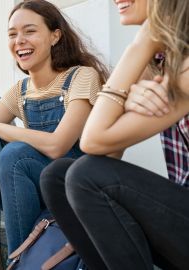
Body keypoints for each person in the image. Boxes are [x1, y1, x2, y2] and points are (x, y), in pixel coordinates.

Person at [0, 1, 109, 268]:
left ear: (55, 35)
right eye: (12, 34)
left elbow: (58, 146)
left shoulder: (81, 77)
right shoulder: (20, 90)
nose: (19, 41)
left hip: (72, 187)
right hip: (31, 188)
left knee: (16, 154)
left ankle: (19, 264)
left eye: (29, 31)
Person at [40, 0, 189, 269]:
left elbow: (93, 140)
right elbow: (105, 153)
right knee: (58, 177)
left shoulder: (184, 68)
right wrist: (127, 99)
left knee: (85, 176)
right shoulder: (162, 60)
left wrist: (142, 41)